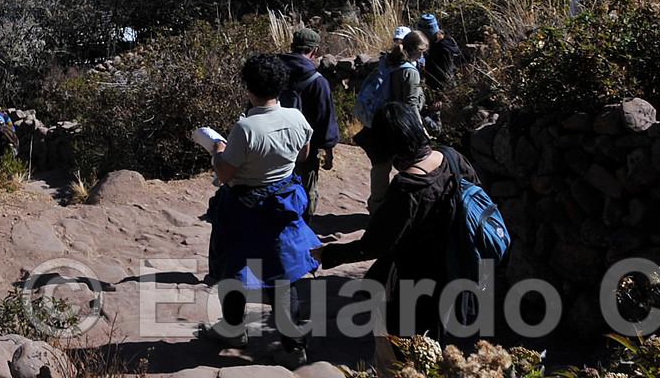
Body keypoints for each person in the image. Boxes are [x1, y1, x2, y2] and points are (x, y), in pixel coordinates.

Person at [317, 102, 480, 371]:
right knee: (441, 344)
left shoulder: (407, 188)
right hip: (459, 267)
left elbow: (374, 245)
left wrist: (329, 253)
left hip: (416, 281)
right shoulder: (452, 157)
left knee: (400, 355)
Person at [204, 53, 320, 365]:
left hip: (245, 207)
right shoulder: (297, 118)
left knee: (235, 266)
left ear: (248, 88)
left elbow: (226, 174)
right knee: (284, 275)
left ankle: (232, 329)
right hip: (283, 204)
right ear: (281, 85)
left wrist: (217, 149)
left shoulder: (246, 128)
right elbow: (304, 154)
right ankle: (294, 347)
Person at [362, 30, 428, 211]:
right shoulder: (410, 72)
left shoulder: (388, 61)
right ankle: (404, 208)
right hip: (400, 124)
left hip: (380, 122)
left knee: (380, 168)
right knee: (412, 166)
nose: (422, 55)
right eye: (421, 51)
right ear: (414, 49)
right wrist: (420, 130)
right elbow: (411, 104)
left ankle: (376, 208)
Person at [279, 28, 340, 215]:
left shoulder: (274, 71)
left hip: (273, 143)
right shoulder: (318, 81)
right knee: (306, 191)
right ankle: (303, 227)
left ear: (291, 46)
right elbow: (325, 120)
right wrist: (329, 153)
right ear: (315, 51)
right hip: (305, 149)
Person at [418, 14, 462, 93]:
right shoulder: (445, 40)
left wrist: (441, 94)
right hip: (440, 86)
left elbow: (445, 74)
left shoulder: (442, 49)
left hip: (441, 89)